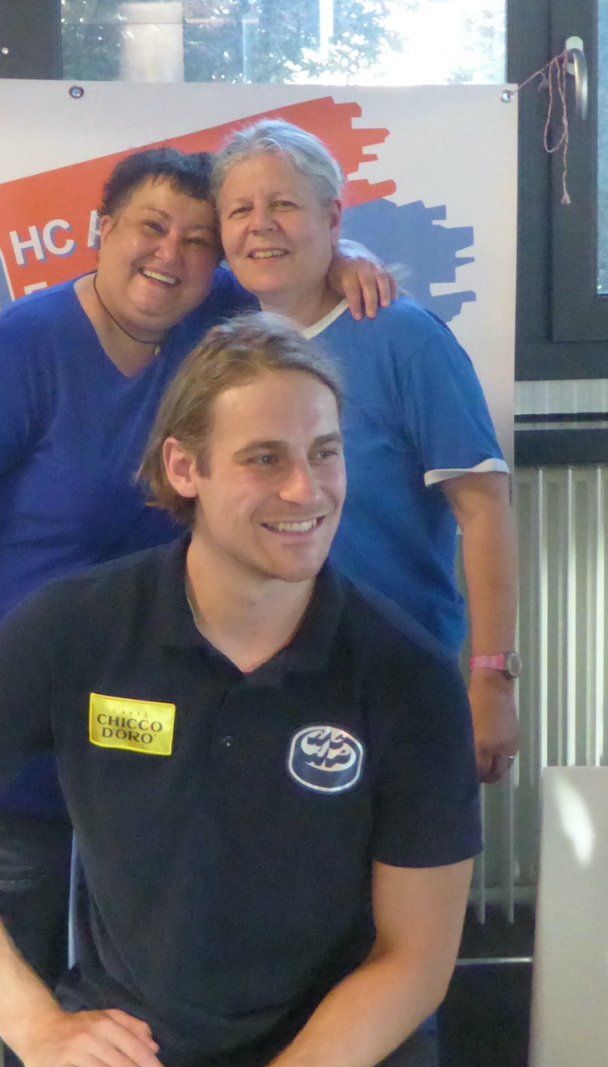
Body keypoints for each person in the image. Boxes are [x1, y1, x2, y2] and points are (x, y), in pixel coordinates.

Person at [0, 313, 480, 1067]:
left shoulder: (407, 674)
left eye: (324, 453)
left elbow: (416, 959)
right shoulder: (75, 628)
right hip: (135, 1047)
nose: (306, 490)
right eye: (264, 458)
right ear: (184, 466)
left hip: (338, 1052)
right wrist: (34, 1025)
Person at [0, 148, 392, 999]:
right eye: (151, 227)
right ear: (102, 229)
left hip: (151, 729)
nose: (171, 254)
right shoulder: (10, 354)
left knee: (146, 987)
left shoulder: (216, 321)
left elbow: (285, 272)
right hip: (17, 723)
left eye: (198, 239)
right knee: (16, 977)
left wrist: (344, 259)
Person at [212, 120, 520, 784]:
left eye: (284, 205)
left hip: (398, 682)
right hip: (261, 689)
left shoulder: (405, 337)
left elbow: (484, 509)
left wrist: (493, 677)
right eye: (240, 210)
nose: (261, 225)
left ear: (332, 218)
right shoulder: (223, 348)